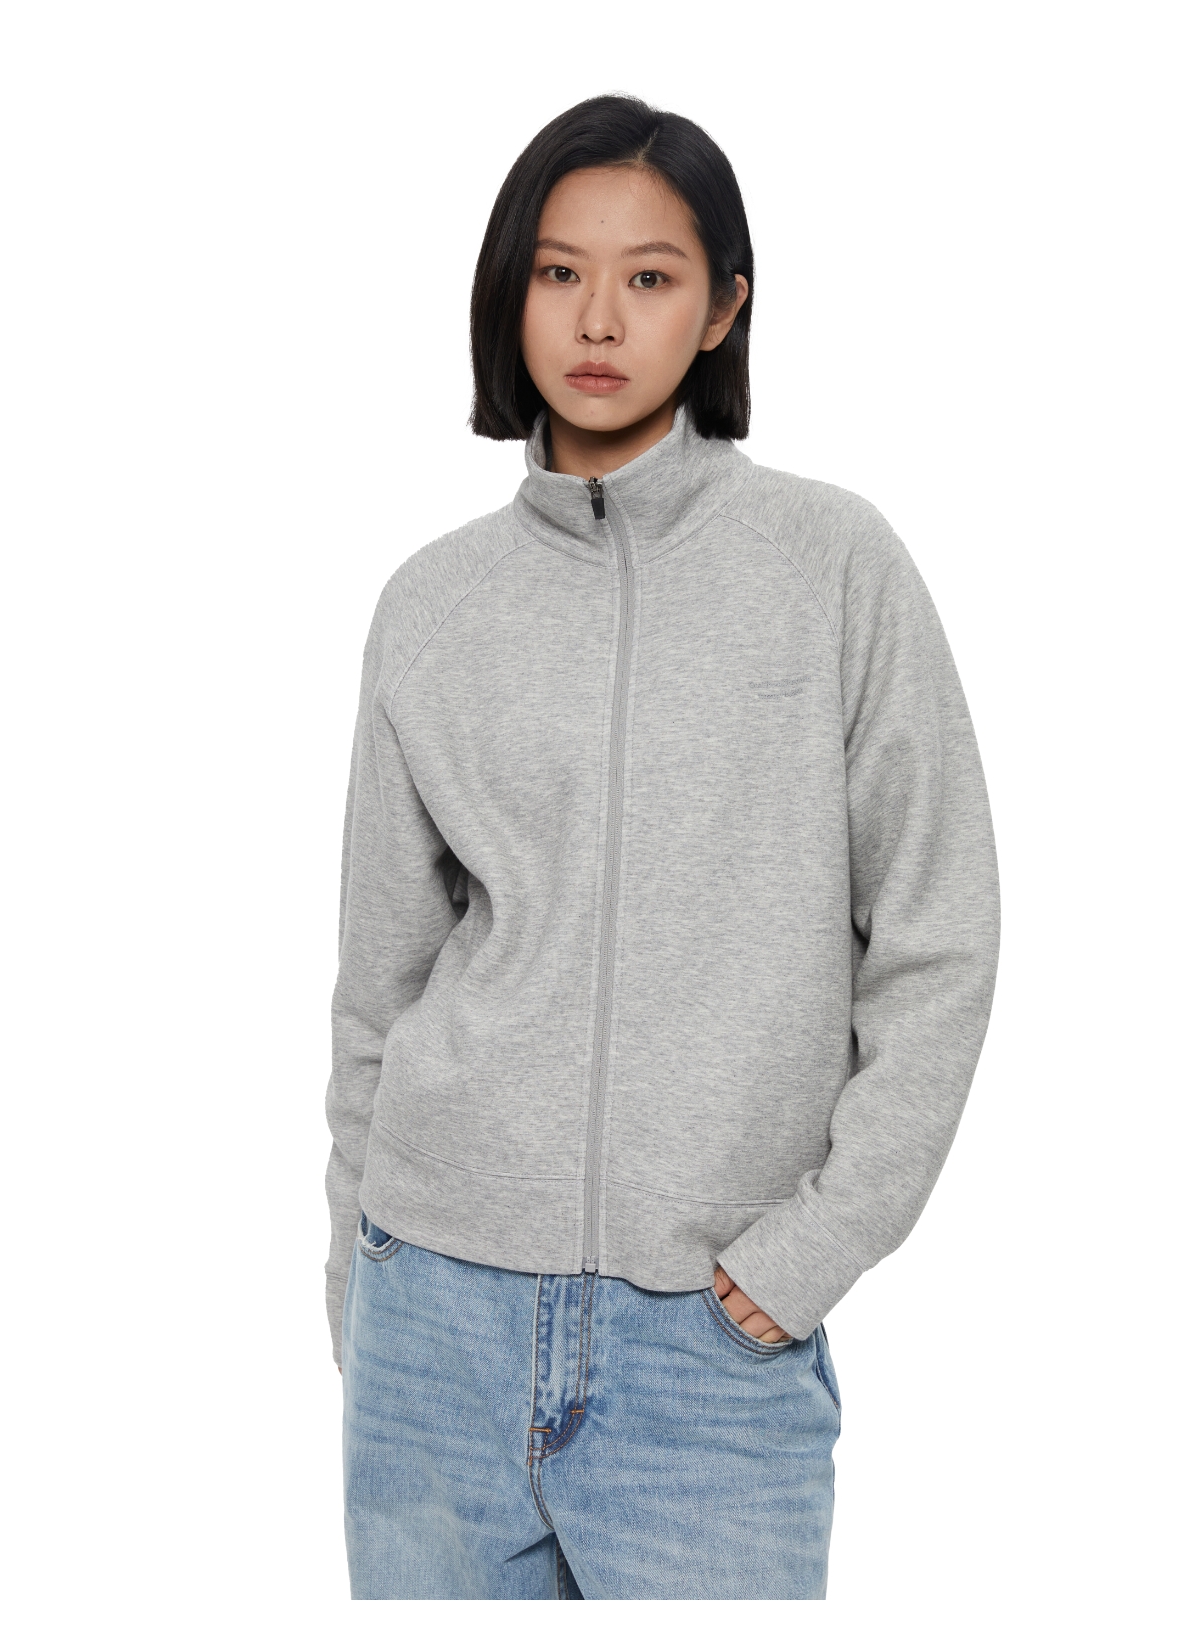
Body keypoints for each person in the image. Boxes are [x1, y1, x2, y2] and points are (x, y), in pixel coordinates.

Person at [324, 93, 1000, 1602]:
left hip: (709, 1343)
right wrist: (356, 1293)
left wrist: (814, 1251)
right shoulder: (431, 604)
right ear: (510, 293)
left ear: (723, 308)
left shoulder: (834, 567)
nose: (598, 320)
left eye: (650, 276)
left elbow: (941, 934)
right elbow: (380, 984)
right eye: (559, 272)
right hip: (433, 1319)